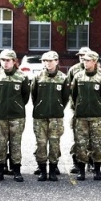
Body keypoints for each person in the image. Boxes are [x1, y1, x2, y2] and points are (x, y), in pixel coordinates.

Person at [0, 49, 30, 182]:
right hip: (0, 116)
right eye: (3, 60)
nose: (5, 63)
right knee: (1, 143)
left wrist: (16, 106)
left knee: (15, 143)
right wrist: (1, 104)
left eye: (8, 60)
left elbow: (25, 96)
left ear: (14, 61)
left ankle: (16, 170)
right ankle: (0, 170)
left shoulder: (22, 77)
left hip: (17, 116)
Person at [30, 50, 69, 181]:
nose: (48, 63)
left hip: (56, 117)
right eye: (45, 61)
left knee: (54, 144)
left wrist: (58, 107)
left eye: (50, 61)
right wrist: (40, 106)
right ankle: (42, 170)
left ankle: (53, 169)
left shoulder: (63, 78)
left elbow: (65, 98)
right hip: (40, 116)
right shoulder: (38, 77)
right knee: (40, 144)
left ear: (56, 61)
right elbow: (33, 95)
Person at [69, 51, 101, 180]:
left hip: (96, 117)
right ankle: (81, 171)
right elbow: (74, 96)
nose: (85, 62)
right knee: (81, 144)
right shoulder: (78, 77)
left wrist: (97, 106)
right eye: (84, 60)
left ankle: (97, 170)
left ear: (94, 62)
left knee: (96, 144)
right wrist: (79, 107)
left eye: (88, 60)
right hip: (81, 117)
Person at [65, 47, 92, 174]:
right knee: (77, 136)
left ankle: (91, 162)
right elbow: (69, 89)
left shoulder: (96, 69)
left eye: (84, 55)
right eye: (80, 55)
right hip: (76, 108)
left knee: (92, 137)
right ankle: (76, 162)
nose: (82, 57)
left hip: (92, 109)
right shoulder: (73, 69)